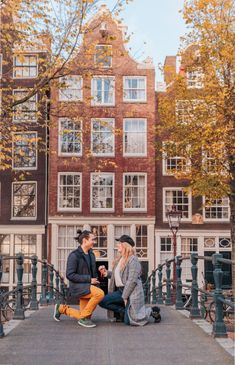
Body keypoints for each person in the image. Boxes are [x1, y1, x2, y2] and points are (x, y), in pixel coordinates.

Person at [98, 235, 161, 326]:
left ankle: (152, 311)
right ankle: (124, 312)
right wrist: (106, 273)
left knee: (131, 321)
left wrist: (124, 297)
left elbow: (132, 281)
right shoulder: (120, 259)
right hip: (120, 291)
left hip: (132, 292)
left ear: (125, 245)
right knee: (102, 301)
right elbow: (119, 276)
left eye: (119, 243)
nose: (117, 245)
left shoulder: (133, 260)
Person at [53, 229, 104, 328]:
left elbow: (91, 272)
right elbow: (70, 275)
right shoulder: (74, 255)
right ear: (85, 240)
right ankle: (83, 318)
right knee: (99, 294)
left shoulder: (91, 254)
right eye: (93, 239)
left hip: (88, 286)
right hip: (78, 287)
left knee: (84, 315)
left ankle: (61, 309)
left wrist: (100, 271)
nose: (94, 242)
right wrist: (89, 279)